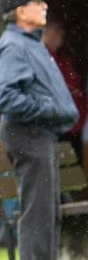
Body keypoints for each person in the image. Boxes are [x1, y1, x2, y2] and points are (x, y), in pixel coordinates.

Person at [0, 0, 78, 260]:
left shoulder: (28, 40)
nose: (44, 6)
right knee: (37, 213)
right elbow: (6, 97)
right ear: (19, 10)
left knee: (48, 213)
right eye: (37, 2)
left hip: (38, 134)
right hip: (27, 134)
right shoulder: (13, 45)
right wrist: (48, 109)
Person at [41, 20, 87, 159]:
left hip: (73, 123)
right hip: (58, 125)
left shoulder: (62, 56)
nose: (61, 38)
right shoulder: (42, 56)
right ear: (52, 33)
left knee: (74, 169)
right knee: (64, 168)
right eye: (60, 34)